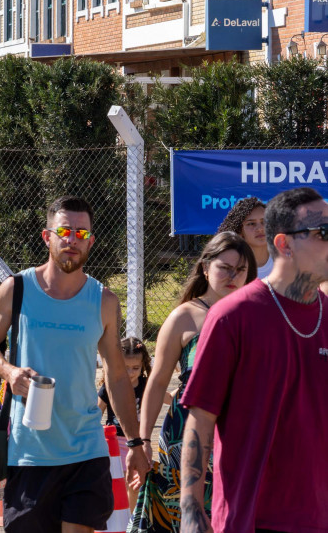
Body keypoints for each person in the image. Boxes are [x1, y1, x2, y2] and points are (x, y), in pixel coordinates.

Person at [0, 195, 149, 532]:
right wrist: (10, 372)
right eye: (64, 231)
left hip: (86, 449)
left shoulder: (104, 300)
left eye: (81, 234)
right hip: (28, 452)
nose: (72, 240)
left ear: (91, 241)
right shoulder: (17, 288)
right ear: (47, 236)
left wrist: (137, 443)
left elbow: (116, 375)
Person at [180, 187, 328, 532]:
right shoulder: (234, 316)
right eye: (323, 233)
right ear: (284, 243)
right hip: (250, 518)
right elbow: (200, 418)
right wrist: (190, 507)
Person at [130, 231, 255, 532]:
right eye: (225, 267)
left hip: (240, 431)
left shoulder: (255, 313)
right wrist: (143, 441)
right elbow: (157, 383)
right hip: (184, 437)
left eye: (240, 270)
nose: (233, 275)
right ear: (205, 267)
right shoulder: (184, 317)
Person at [97, 337, 152, 512]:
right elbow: (96, 412)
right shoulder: (110, 386)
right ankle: (112, 518)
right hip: (114, 443)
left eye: (135, 368)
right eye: (125, 367)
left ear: (143, 365)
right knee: (113, 483)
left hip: (137, 444)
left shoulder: (145, 385)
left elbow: (168, 398)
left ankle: (130, 520)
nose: (130, 372)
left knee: (134, 484)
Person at [217, 197, 270, 277]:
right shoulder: (231, 264)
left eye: (264, 221)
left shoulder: (287, 259)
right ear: (239, 231)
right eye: (251, 224)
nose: (260, 228)